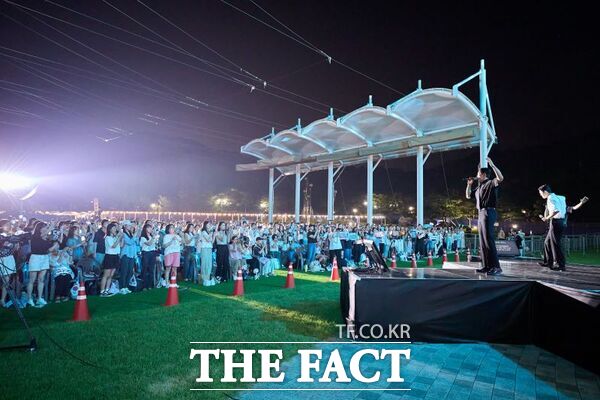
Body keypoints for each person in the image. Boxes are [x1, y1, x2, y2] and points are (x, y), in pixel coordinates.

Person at [466, 157, 504, 275]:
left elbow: (500, 178)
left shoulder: (490, 183)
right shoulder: (479, 187)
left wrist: (492, 164)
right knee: (483, 241)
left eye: (478, 173)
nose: (476, 175)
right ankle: (486, 266)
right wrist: (469, 185)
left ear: (482, 174)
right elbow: (468, 196)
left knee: (489, 239)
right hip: (481, 213)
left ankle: (496, 267)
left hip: (489, 212)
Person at [28, 221, 59, 307]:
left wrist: (55, 245)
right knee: (32, 280)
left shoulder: (47, 238)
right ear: (40, 229)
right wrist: (51, 226)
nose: (46, 229)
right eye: (44, 227)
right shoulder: (35, 237)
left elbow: (48, 250)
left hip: (44, 257)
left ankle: (39, 298)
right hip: (35, 258)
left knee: (41, 279)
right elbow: (49, 248)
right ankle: (29, 299)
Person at [538, 184, 567, 271]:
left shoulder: (550, 198)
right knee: (547, 242)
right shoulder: (561, 197)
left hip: (555, 222)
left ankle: (560, 265)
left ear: (545, 192)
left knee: (555, 244)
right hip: (560, 222)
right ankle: (548, 262)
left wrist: (546, 218)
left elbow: (556, 210)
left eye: (541, 193)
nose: (540, 195)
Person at [100, 222, 122, 297]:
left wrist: (120, 238)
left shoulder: (115, 237)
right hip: (109, 256)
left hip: (115, 256)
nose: (115, 229)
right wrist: (119, 238)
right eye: (113, 228)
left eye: (115, 228)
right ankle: (102, 291)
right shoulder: (107, 237)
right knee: (106, 275)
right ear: (109, 230)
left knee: (111, 275)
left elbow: (121, 245)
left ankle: (107, 290)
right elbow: (113, 246)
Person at [139, 223, 157, 290]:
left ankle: (150, 285)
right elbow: (149, 243)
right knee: (145, 269)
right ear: (145, 229)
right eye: (149, 228)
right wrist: (153, 237)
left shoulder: (151, 236)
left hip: (152, 253)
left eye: (151, 228)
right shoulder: (143, 237)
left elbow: (154, 244)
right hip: (146, 253)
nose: (150, 229)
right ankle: (144, 285)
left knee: (151, 269)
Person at [197, 221, 215, 286]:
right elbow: (207, 239)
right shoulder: (203, 232)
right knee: (204, 263)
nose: (210, 225)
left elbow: (212, 241)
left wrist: (214, 234)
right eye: (208, 224)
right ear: (205, 225)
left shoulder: (209, 232)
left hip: (209, 248)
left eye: (210, 224)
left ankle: (208, 277)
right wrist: (211, 233)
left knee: (209, 263)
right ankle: (204, 278)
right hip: (204, 248)